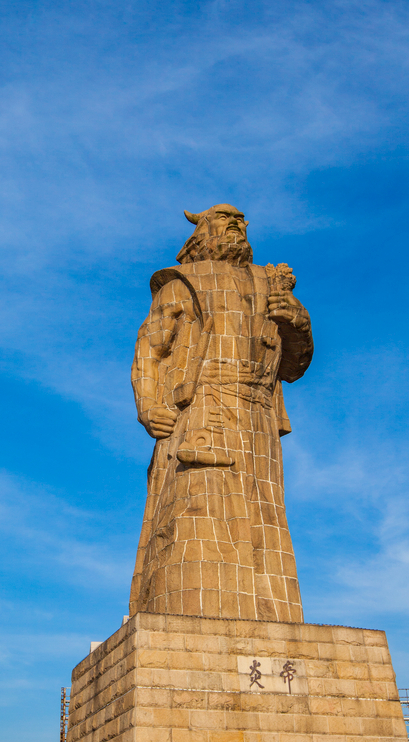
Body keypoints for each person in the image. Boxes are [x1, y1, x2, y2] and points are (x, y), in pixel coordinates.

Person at [130, 203, 314, 622]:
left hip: (258, 416)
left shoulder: (271, 282)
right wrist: (149, 405)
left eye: (241, 221)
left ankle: (271, 619)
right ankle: (188, 617)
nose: (237, 227)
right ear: (202, 234)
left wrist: (296, 321)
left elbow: (294, 366)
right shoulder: (185, 283)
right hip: (202, 406)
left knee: (264, 517)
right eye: (226, 221)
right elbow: (151, 347)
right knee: (198, 512)